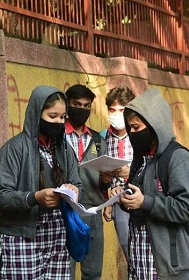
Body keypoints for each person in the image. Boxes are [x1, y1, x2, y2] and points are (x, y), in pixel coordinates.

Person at [0, 85, 82, 279]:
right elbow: (1, 196)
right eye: (52, 116)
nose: (58, 122)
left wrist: (74, 190)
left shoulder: (65, 149)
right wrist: (34, 198)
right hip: (21, 237)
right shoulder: (13, 149)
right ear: (36, 113)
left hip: (57, 235)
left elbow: (77, 182)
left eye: (62, 117)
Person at [112, 88, 189, 279]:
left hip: (167, 267)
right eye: (130, 128)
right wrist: (123, 197)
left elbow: (185, 207)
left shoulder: (177, 157)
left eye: (137, 128)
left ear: (155, 125)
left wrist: (146, 202)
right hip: (139, 261)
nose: (132, 133)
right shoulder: (141, 159)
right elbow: (138, 201)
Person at [64, 85, 107, 280]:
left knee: (93, 272)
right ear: (67, 105)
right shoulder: (58, 137)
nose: (82, 109)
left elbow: (104, 181)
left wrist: (107, 181)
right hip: (66, 212)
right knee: (65, 272)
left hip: (93, 213)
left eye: (86, 106)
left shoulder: (98, 140)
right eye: (76, 104)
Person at [100, 86, 135, 260]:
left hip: (139, 199)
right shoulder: (103, 137)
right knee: (127, 250)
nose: (116, 114)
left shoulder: (138, 134)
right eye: (112, 110)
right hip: (116, 203)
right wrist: (108, 203)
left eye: (122, 110)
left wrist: (130, 172)